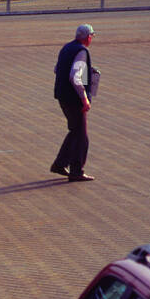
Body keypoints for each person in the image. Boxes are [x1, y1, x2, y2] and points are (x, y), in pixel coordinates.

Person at [50, 24, 96, 182]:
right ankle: (76, 171)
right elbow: (75, 77)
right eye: (92, 36)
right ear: (88, 37)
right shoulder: (82, 51)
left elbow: (57, 69)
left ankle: (60, 164)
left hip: (61, 95)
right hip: (73, 98)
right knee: (81, 136)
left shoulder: (67, 47)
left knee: (75, 131)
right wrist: (84, 98)